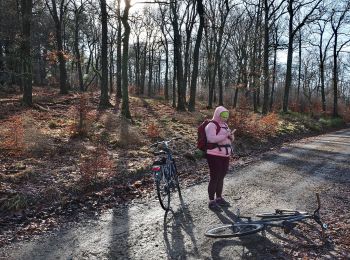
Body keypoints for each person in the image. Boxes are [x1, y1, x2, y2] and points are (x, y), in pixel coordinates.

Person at [205, 106, 235, 211]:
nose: (225, 117)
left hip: (225, 155)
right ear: (218, 114)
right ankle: (211, 201)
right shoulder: (211, 125)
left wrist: (231, 136)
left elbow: (230, 139)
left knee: (221, 177)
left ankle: (219, 198)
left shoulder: (225, 125)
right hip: (213, 154)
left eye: (226, 115)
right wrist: (226, 135)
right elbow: (211, 139)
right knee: (214, 177)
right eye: (223, 115)